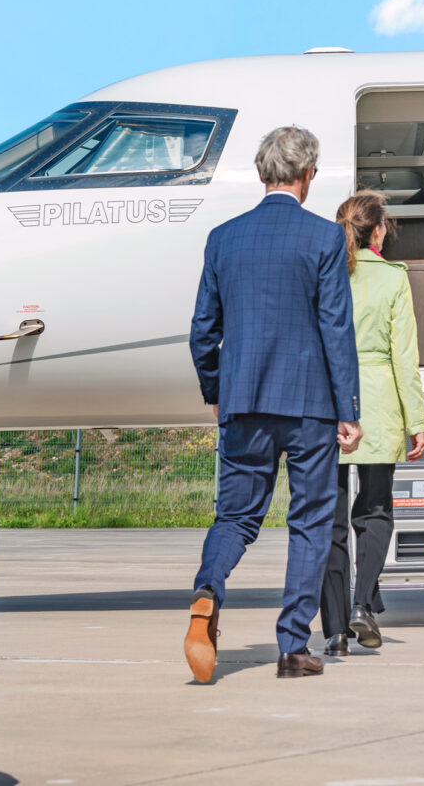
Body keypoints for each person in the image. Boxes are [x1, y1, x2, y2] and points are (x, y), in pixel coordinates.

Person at [184, 125, 361, 683]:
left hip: (243, 402)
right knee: (310, 523)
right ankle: (292, 647)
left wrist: (217, 391)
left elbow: (201, 332)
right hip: (309, 405)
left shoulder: (223, 238)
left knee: (235, 516)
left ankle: (207, 592)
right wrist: (348, 409)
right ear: (308, 175)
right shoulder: (325, 239)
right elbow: (336, 330)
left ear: (263, 174)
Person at [319, 192, 424, 656]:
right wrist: (416, 420)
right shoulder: (392, 279)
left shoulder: (325, 270)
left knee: (329, 520)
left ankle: (336, 631)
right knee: (376, 510)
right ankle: (364, 604)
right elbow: (405, 356)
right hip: (380, 403)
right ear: (378, 230)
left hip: (328, 401)